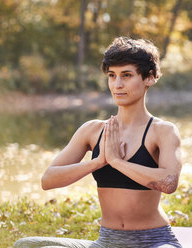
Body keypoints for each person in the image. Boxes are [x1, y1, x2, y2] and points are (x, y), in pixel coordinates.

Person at [14, 37, 183, 248]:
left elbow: (169, 182)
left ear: (149, 78)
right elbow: (48, 180)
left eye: (127, 75)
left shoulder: (163, 131)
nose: (117, 84)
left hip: (153, 242)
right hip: (107, 242)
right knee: (25, 245)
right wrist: (97, 162)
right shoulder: (93, 130)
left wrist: (117, 161)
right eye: (112, 76)